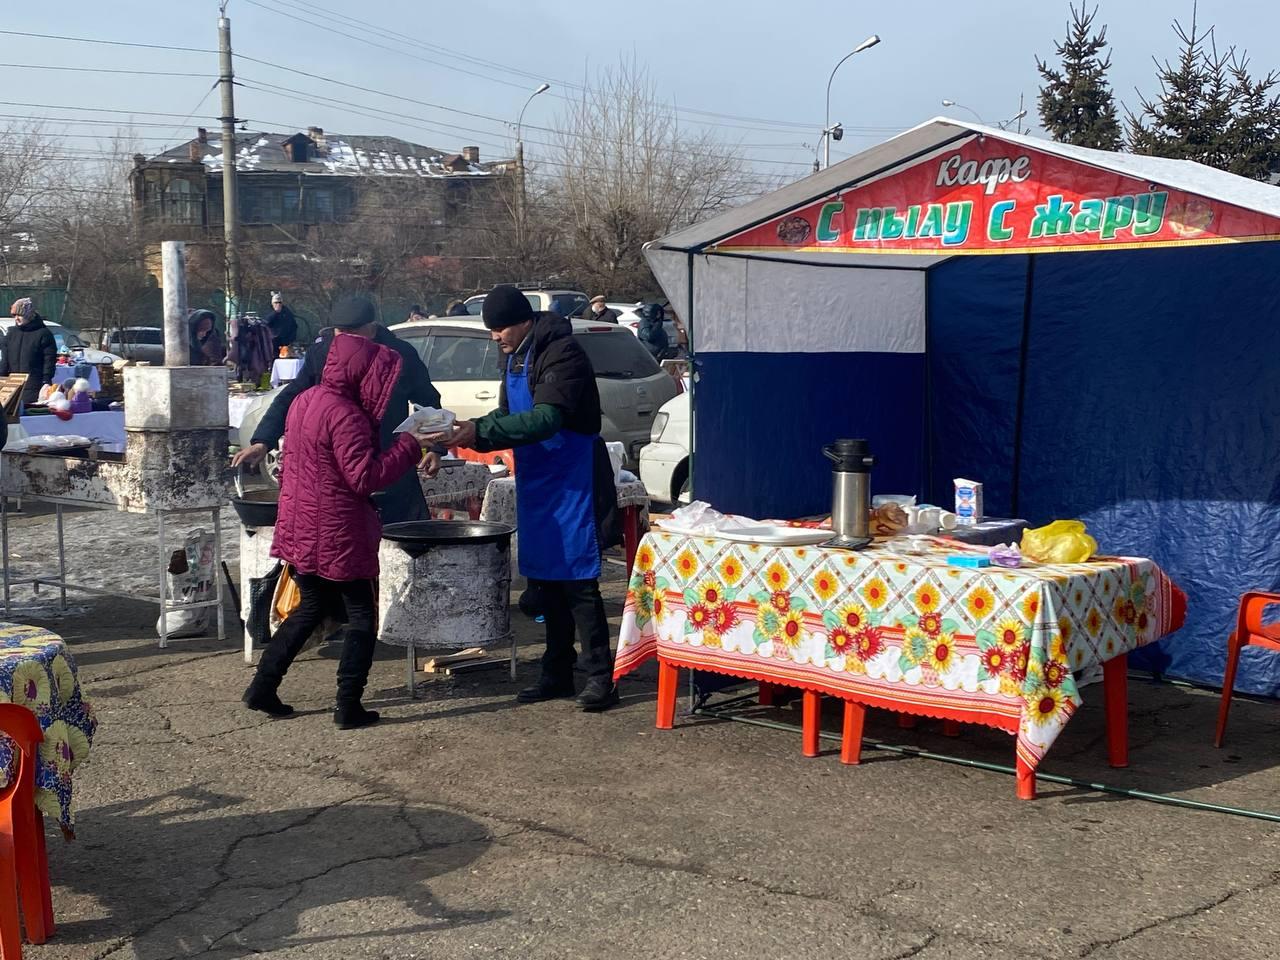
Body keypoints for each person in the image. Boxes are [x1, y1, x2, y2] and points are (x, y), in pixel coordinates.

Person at [242, 331, 441, 728]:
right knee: (362, 616)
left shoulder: (305, 400)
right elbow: (364, 477)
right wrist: (409, 444)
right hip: (339, 530)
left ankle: (262, 686)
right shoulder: (346, 414)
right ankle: (348, 704)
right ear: (362, 374)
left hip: (303, 525)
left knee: (309, 609)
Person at [443, 285, 621, 711]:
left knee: (579, 581)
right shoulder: (515, 354)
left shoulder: (563, 353)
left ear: (523, 321)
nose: (494, 337)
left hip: (572, 477)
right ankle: (556, 671)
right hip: (538, 478)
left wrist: (482, 433)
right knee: (548, 581)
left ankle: (602, 676)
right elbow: (509, 414)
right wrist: (473, 426)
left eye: (500, 327)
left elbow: (546, 419)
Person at [233, 295, 442, 524]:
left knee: (400, 540)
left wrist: (437, 447)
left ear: (371, 330)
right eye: (340, 332)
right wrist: (262, 440)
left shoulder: (401, 355)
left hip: (391, 465)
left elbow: (428, 401)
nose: (346, 340)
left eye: (353, 332)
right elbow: (291, 396)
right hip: (339, 471)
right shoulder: (321, 354)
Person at [0, 298, 57, 407]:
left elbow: (49, 359)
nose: (16, 318)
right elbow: (5, 359)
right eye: (14, 315)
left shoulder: (43, 333)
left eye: (19, 315)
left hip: (34, 383)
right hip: (12, 383)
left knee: (28, 412)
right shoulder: (11, 333)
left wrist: (46, 379)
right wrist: (2, 376)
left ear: (28, 315)